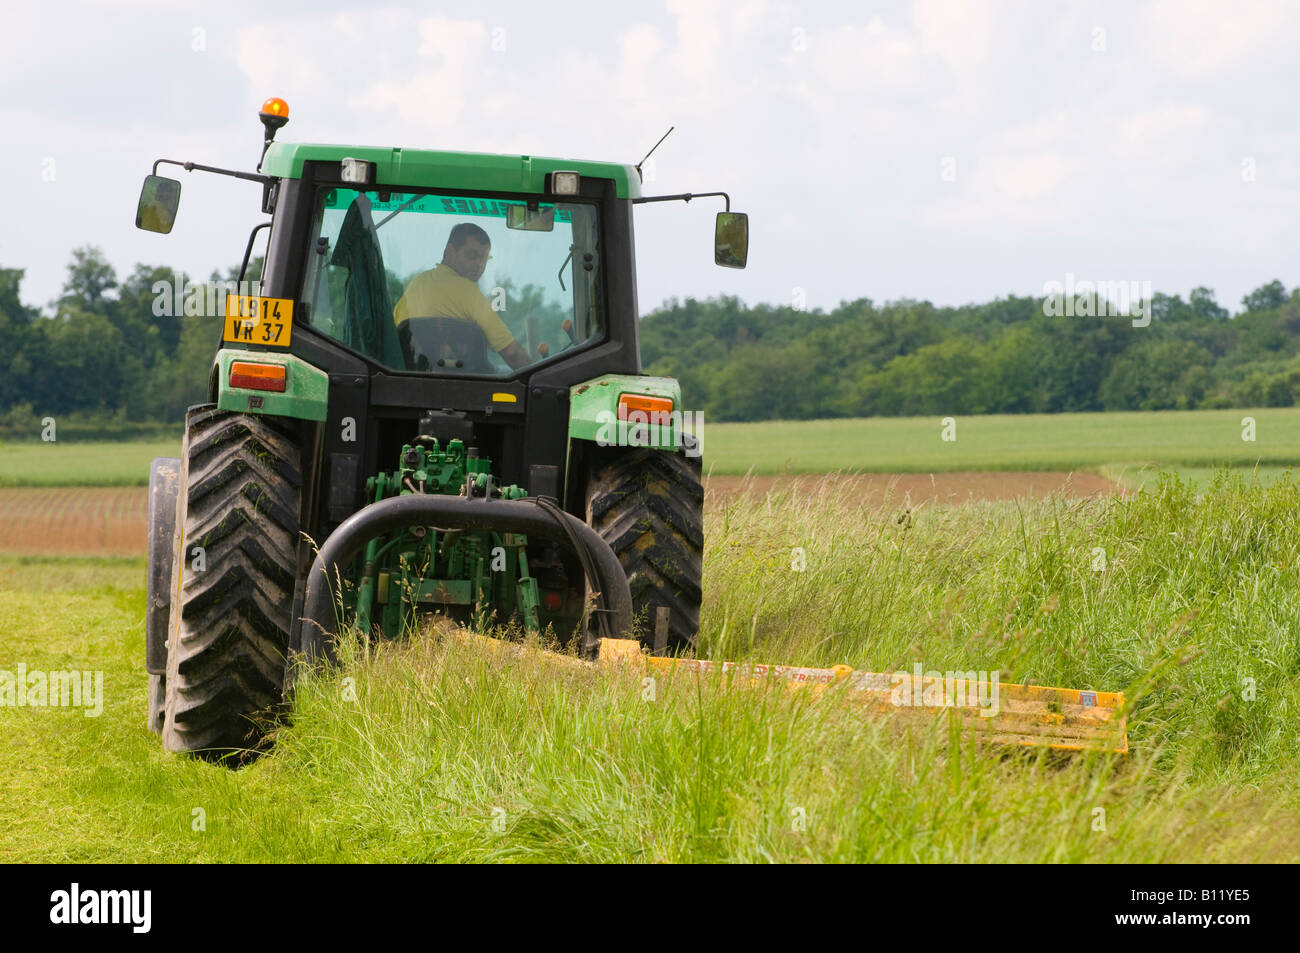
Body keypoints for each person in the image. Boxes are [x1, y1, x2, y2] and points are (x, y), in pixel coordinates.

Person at [393, 222, 529, 369]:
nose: (479, 265)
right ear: (450, 252)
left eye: (484, 258)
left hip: (408, 381)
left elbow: (396, 333)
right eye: (472, 256)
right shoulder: (468, 292)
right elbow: (512, 353)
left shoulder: (417, 283)